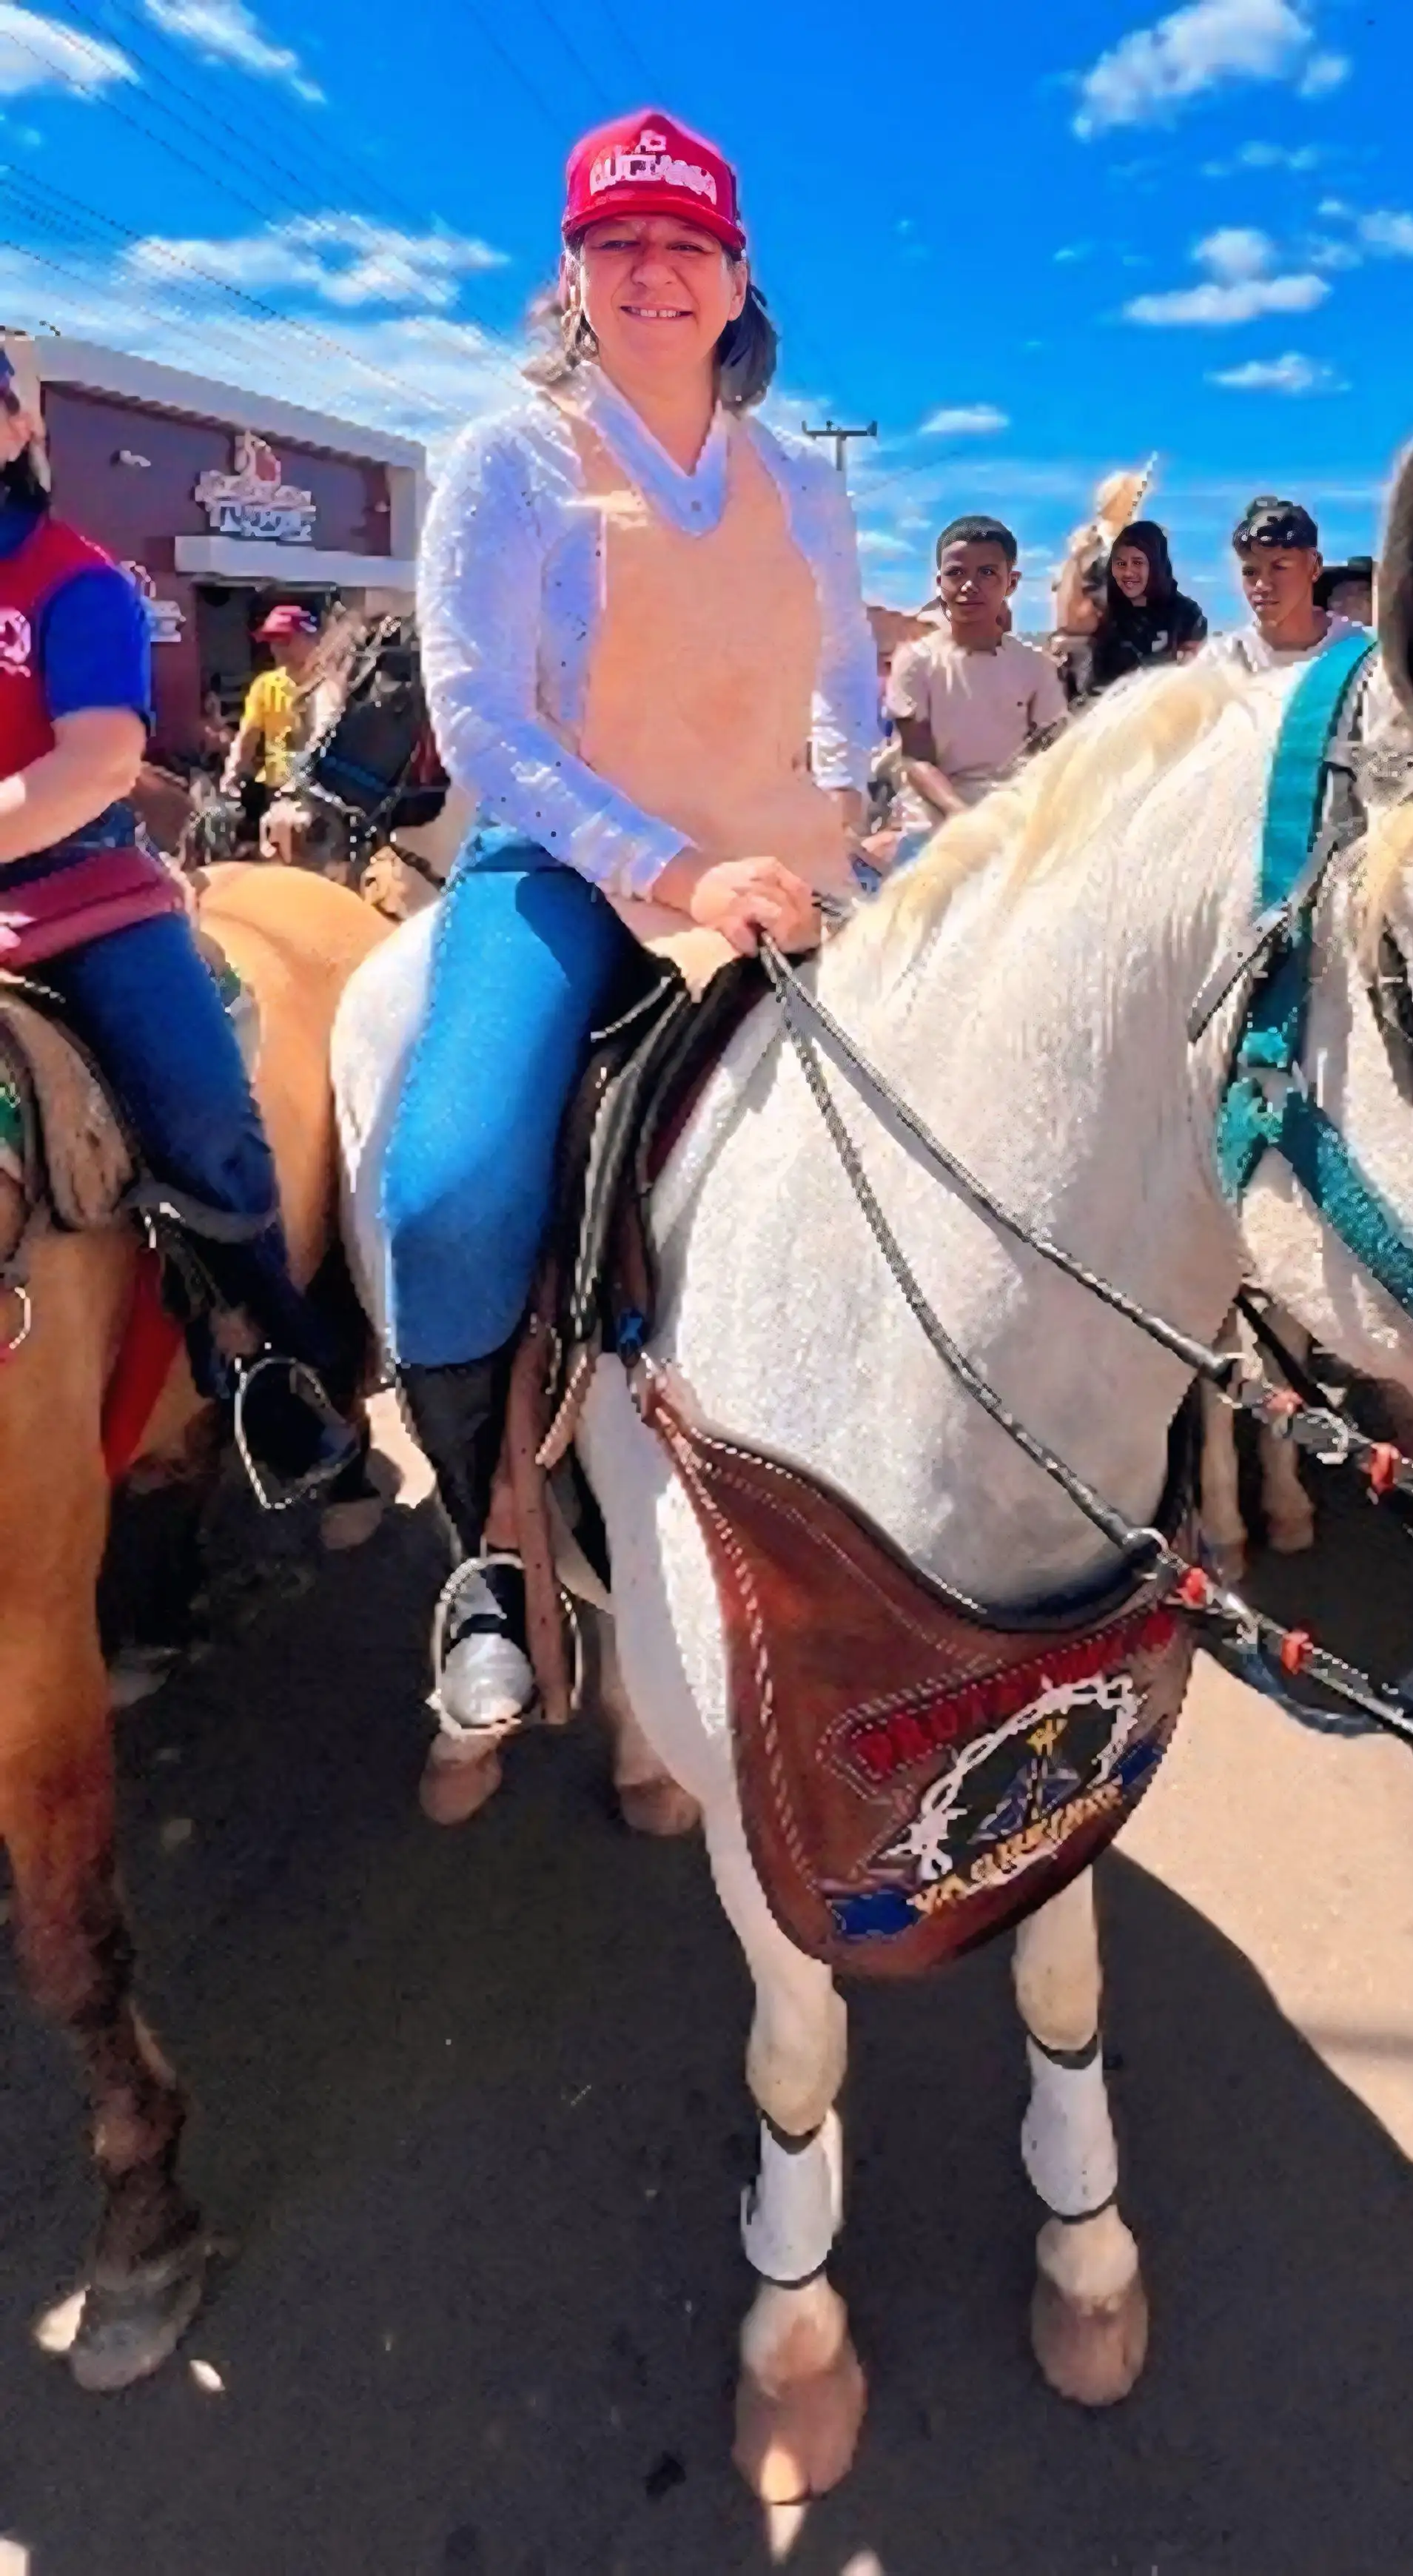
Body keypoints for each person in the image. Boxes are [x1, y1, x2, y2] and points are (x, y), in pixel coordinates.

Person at [397, 105, 879, 1736]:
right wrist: (671, 871)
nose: (654, 272)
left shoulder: (797, 484)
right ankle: (481, 1550)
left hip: (774, 863)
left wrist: (850, 813)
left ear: (737, 282)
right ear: (573, 276)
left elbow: (841, 691)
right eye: (620, 244)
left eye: (685, 245)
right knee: (453, 1188)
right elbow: (481, 730)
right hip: (565, 865)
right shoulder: (507, 460)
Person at [0, 347, 354, 1499]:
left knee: (204, 1119)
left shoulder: (76, 583)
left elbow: (97, 760)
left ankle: (270, 1362)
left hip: (73, 894)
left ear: (16, 433)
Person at [886, 517, 1067, 829]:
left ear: (1011, 582)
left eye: (987, 573)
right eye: (956, 573)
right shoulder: (916, 661)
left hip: (1011, 812)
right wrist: (960, 815)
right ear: (940, 582)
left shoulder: (1035, 667)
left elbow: (1051, 750)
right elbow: (916, 759)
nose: (970, 586)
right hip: (932, 818)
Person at [1202, 495, 1364, 676]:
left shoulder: (1359, 651)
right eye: (1250, 572)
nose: (1262, 585)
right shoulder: (1222, 660)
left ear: (1314, 566)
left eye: (1279, 567)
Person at [1050, 517, 1206, 699]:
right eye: (1121, 563)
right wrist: (1078, 556)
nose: (1128, 573)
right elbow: (1072, 623)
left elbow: (1193, 673)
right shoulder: (1106, 603)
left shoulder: (1186, 614)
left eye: (1138, 562)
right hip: (1095, 710)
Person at [221, 603, 318, 843]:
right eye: (272, 641)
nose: (277, 649)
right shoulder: (266, 685)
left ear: (311, 640)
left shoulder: (331, 684)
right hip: (277, 792)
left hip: (322, 795)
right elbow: (247, 737)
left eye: (285, 640)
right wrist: (233, 772)